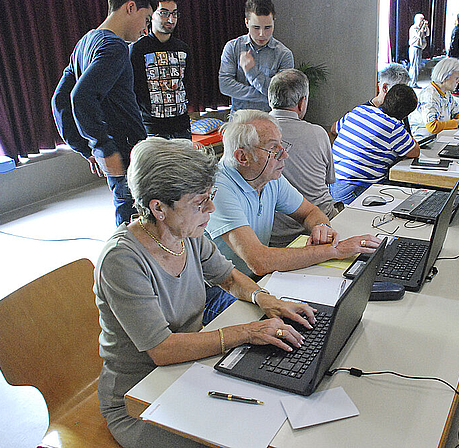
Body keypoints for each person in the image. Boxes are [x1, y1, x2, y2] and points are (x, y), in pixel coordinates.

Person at [96, 137, 316, 448]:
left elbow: (228, 277)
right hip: (140, 397)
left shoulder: (186, 233)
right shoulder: (122, 260)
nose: (211, 208)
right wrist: (248, 332)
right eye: (200, 202)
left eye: (210, 197)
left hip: (187, 373)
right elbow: (163, 350)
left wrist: (268, 301)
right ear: (158, 208)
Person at [205, 109, 380, 282]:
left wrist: (321, 226)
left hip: (255, 279)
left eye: (282, 145)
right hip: (223, 289)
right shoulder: (218, 189)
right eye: (273, 148)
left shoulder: (268, 177)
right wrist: (336, 250)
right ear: (243, 157)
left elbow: (310, 212)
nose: (285, 154)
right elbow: (259, 261)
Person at [52, 0, 156, 226]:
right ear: (130, 7)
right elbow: (80, 97)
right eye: (146, 19)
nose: (146, 30)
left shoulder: (84, 43)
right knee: (135, 220)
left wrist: (87, 148)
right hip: (125, 151)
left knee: (127, 208)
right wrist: (102, 147)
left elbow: (59, 101)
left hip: (118, 150)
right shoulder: (114, 46)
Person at [268, 69, 338, 247]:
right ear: (302, 102)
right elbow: (328, 182)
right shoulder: (318, 133)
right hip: (321, 231)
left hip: (274, 236)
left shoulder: (253, 135)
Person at [331, 84, 420, 204]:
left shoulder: (360, 110)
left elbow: (333, 128)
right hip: (356, 189)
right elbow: (415, 151)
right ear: (405, 115)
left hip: (334, 184)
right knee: (408, 197)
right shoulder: (393, 127)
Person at [130, 1, 191, 139]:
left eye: (174, 14)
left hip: (182, 126)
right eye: (164, 13)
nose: (170, 19)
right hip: (152, 128)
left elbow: (185, 84)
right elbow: (134, 90)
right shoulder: (137, 49)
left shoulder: (183, 48)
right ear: (151, 15)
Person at [219, 0, 294, 112]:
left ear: (274, 23)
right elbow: (225, 85)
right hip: (239, 120)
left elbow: (282, 95)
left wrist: (251, 72)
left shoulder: (284, 54)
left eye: (268, 27)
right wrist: (266, 96)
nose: (262, 34)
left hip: (270, 120)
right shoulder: (232, 47)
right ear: (247, 23)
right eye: (256, 27)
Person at [330, 63, 411, 136]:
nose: (404, 95)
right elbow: (334, 129)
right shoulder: (363, 112)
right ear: (385, 88)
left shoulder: (400, 107)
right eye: (400, 91)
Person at [409, 58, 459, 138]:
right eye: (456, 78)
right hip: (425, 140)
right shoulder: (429, 95)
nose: (458, 82)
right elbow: (432, 126)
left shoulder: (446, 92)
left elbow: (457, 112)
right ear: (444, 77)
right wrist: (458, 122)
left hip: (439, 136)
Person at [408, 13, 430, 88]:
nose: (422, 22)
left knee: (417, 66)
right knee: (414, 66)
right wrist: (422, 27)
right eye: (421, 20)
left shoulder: (421, 28)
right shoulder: (414, 28)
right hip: (414, 48)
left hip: (420, 48)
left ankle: (414, 82)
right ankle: (412, 83)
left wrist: (426, 27)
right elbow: (419, 35)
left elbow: (427, 34)